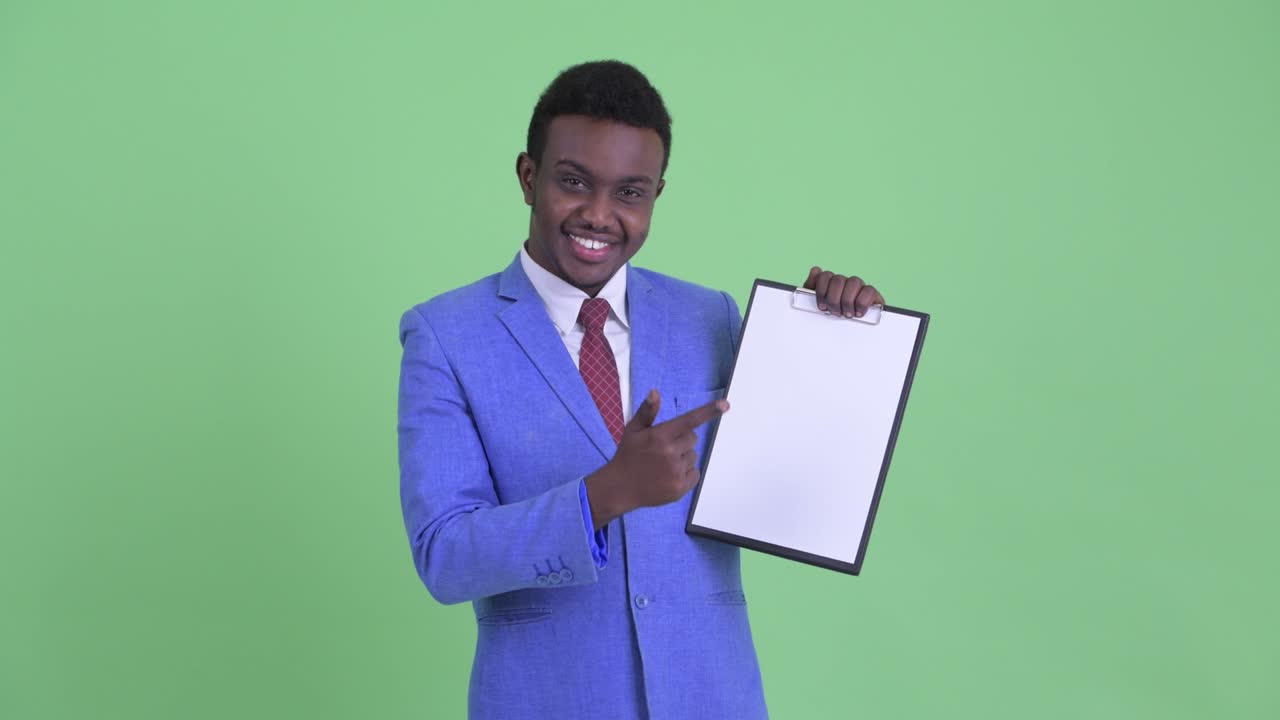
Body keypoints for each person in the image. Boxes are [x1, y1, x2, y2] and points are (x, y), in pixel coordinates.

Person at [397, 60, 884, 719]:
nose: (600, 214)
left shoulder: (710, 318)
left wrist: (839, 341)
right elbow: (446, 555)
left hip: (713, 699)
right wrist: (602, 496)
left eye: (630, 192)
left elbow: (793, 485)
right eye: (574, 183)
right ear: (528, 176)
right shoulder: (445, 336)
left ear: (656, 194)